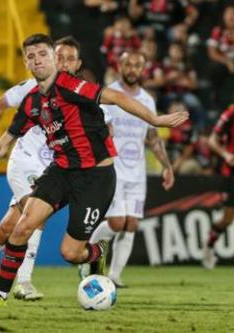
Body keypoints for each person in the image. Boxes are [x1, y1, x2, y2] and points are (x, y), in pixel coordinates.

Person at [0, 33, 188, 307]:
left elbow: (115, 96)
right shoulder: (32, 102)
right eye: (31, 57)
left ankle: (97, 251)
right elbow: (5, 142)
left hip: (96, 177)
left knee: (70, 252)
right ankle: (0, 294)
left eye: (43, 54)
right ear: (26, 62)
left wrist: (155, 119)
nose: (38, 60)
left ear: (52, 58)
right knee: (22, 227)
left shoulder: (72, 86)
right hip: (61, 170)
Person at [0, 36, 84, 302]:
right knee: (37, 214)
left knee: (8, 228)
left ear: (78, 64)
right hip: (24, 162)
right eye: (60, 57)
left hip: (50, 169)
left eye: (69, 59)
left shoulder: (82, 93)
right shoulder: (33, 88)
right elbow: (0, 107)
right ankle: (24, 283)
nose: (63, 63)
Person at [83, 51, 175, 288]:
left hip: (137, 173)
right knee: (116, 223)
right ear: (120, 66)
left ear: (143, 69)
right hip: (112, 170)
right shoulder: (109, 94)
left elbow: (153, 138)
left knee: (131, 224)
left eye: (137, 65)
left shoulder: (147, 100)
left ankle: (114, 275)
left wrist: (167, 166)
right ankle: (88, 256)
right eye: (128, 64)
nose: (133, 69)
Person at [202, 77, 234, 276]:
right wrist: (226, 155)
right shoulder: (233, 112)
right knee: (227, 219)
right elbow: (212, 140)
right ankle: (210, 244)